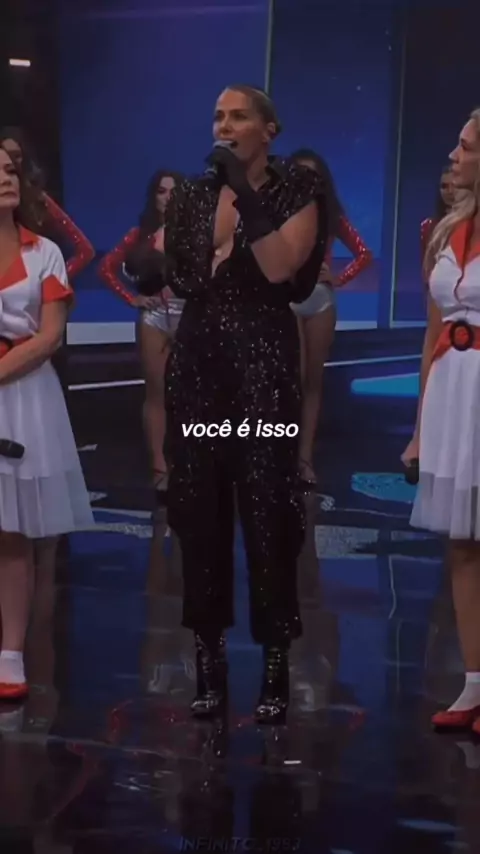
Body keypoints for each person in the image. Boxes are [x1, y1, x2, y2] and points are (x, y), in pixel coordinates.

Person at [164, 84, 328, 724]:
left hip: (263, 367)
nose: (224, 126)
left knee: (267, 513)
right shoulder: (193, 193)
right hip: (200, 365)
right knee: (198, 511)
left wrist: (243, 196)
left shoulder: (297, 190)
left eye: (237, 116)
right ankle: (208, 660)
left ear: (269, 130)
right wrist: (219, 232)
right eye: (217, 116)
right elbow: (185, 273)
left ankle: (275, 662)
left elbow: (280, 269)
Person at [0, 144, 93, 701]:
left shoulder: (46, 253)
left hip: (24, 398)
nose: (5, 177)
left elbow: (50, 336)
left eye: (9, 169)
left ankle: (10, 654)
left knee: (11, 531)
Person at [402, 107, 480, 733]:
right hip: (454, 391)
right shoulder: (447, 229)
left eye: (465, 146)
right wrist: (421, 430)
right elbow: (433, 336)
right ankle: (474, 685)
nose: (453, 156)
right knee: (462, 544)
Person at [290, 149, 372, 489]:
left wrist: (338, 278)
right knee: (291, 379)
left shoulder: (331, 217)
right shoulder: (277, 212)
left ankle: (304, 460)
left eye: (313, 175)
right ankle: (279, 455)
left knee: (312, 381)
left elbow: (363, 254)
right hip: (286, 299)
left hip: (320, 300)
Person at [98, 170, 183, 494]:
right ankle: (160, 468)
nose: (167, 197)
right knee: (157, 394)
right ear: (154, 197)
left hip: (191, 316)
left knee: (193, 394)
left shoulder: (198, 231)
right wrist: (130, 298)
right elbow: (106, 268)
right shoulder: (140, 234)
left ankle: (192, 462)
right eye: (161, 191)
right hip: (154, 319)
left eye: (173, 191)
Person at [0, 127, 95, 280]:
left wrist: (54, 279)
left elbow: (85, 250)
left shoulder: (38, 199)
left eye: (16, 156)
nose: (11, 161)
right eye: (6, 154)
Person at [420, 164, 456, 260]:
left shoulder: (474, 224)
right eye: (444, 186)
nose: (449, 191)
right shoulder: (429, 226)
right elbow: (428, 265)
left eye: (454, 186)